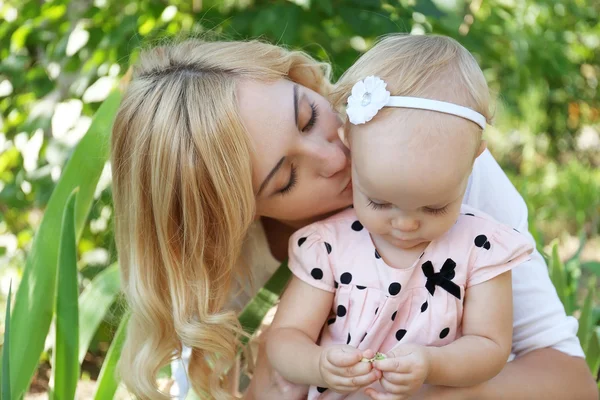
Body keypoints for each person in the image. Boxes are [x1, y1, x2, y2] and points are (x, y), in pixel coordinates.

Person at [110, 38, 596, 400]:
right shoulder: (231, 264)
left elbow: (571, 382)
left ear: (300, 81)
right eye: (286, 181)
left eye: (307, 117)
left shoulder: (429, 161)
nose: (335, 157)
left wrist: (429, 384)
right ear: (236, 217)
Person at [266, 35, 535, 399]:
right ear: (350, 147)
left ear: (474, 161)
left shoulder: (481, 247)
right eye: (378, 202)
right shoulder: (328, 247)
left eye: (435, 206)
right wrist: (318, 363)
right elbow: (285, 338)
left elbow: (489, 345)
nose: (405, 224)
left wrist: (432, 364)